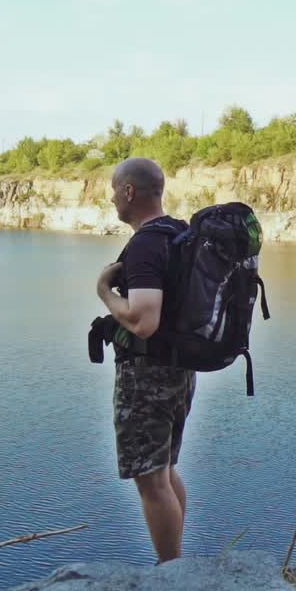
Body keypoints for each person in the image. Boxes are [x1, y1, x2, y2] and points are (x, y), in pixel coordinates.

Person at [95, 157, 193, 562]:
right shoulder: (180, 234)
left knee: (151, 480)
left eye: (114, 190)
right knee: (165, 469)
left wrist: (104, 291)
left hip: (147, 376)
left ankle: (170, 571)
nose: (112, 197)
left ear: (129, 192)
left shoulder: (146, 244)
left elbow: (143, 320)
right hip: (179, 370)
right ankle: (177, 564)